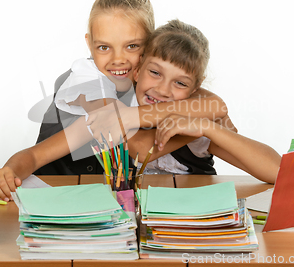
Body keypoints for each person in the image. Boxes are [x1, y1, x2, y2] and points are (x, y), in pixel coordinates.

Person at [0, 0, 230, 201]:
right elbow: (135, 144)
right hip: (58, 188)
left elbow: (217, 106)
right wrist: (198, 124)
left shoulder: (157, 82)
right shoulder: (88, 79)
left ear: (152, 46)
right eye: (104, 47)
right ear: (89, 44)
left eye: (132, 46)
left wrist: (199, 122)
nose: (118, 60)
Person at [105, 19, 281, 181]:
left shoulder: (201, 118)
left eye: (180, 83)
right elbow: (140, 150)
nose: (163, 90)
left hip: (192, 211)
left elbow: (278, 171)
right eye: (155, 73)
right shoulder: (117, 99)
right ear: (137, 69)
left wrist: (206, 127)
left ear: (195, 88)